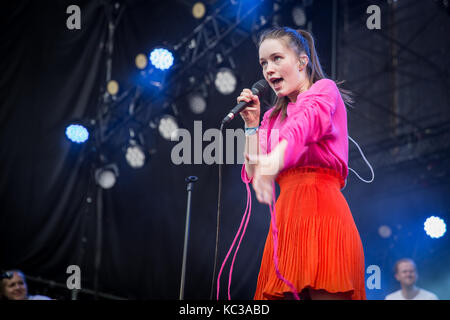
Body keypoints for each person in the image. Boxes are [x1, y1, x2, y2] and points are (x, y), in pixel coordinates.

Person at [238, 26, 366, 300]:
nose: (268, 69)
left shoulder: (324, 91)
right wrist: (251, 126)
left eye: (276, 58)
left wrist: (275, 159)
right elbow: (251, 171)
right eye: (263, 63)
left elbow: (305, 127)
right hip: (287, 221)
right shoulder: (271, 117)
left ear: (302, 61)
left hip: (323, 213)